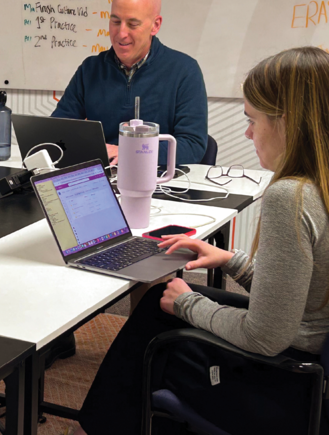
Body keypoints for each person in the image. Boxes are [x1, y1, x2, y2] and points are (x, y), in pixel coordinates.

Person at [70, 47, 329, 435]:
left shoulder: (290, 197)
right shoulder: (319, 184)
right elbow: (299, 292)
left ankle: (102, 427)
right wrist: (229, 260)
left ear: (287, 123)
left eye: (252, 120)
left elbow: (264, 336)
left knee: (160, 317)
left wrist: (189, 303)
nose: (247, 133)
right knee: (156, 308)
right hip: (310, 358)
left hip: (289, 383)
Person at [52, 0, 208, 166]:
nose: (121, 33)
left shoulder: (185, 71)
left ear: (155, 25)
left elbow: (192, 146)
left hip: (158, 184)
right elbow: (57, 132)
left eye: (132, 24)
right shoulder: (90, 69)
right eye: (115, 21)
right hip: (101, 180)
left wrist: (131, 152)